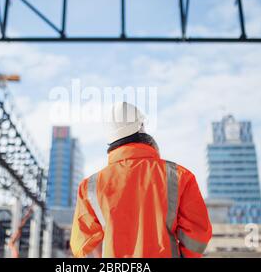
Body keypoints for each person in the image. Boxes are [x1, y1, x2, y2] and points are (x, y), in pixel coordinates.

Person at [70, 102, 212, 258]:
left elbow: (84, 245)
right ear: (141, 127)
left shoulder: (90, 187)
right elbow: (197, 235)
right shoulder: (179, 176)